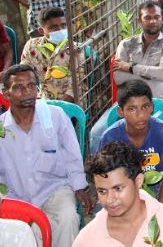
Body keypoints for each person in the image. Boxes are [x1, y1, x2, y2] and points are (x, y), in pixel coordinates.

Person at [0, 64, 93, 247]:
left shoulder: (54, 116)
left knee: (68, 219)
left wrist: (79, 187)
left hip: (54, 190)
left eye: (31, 86)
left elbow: (72, 154)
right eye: (18, 87)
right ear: (6, 94)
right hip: (15, 194)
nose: (27, 92)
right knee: (24, 233)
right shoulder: (2, 129)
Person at [89, 1, 163, 153]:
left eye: (156, 17)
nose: (152, 21)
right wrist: (152, 74)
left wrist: (130, 67)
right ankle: (102, 173)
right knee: (97, 133)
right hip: (126, 104)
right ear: (140, 20)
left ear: (162, 19)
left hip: (156, 104)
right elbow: (118, 77)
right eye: (147, 17)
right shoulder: (126, 44)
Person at [99, 80, 163, 223]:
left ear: (152, 108)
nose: (140, 115)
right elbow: (106, 178)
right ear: (120, 112)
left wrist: (157, 209)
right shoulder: (110, 137)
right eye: (132, 109)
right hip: (124, 186)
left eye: (145, 107)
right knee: (105, 220)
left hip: (161, 183)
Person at [72, 141, 163, 247]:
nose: (109, 199)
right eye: (102, 191)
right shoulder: (88, 239)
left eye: (118, 188)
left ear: (138, 181)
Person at [20, 6, 86, 104]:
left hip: (72, 103)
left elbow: (77, 84)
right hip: (44, 100)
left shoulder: (75, 49)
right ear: (41, 31)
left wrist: (56, 108)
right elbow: (24, 73)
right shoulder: (32, 46)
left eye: (63, 26)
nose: (60, 30)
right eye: (53, 27)